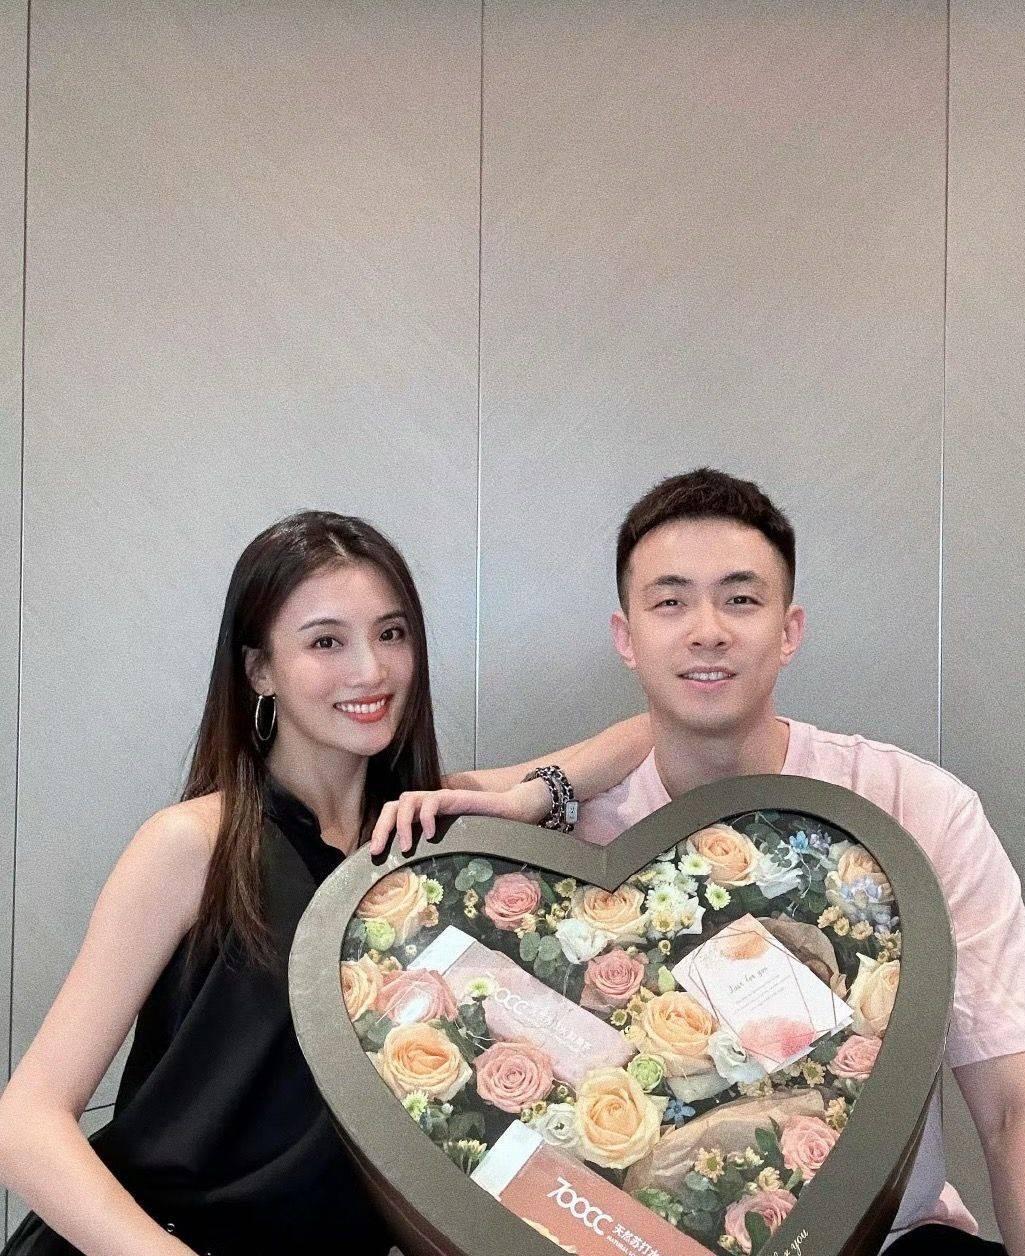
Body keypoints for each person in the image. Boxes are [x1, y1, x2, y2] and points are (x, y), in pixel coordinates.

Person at [378, 469, 1025, 1256]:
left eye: (740, 599)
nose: (707, 631)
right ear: (625, 638)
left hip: (887, 1241)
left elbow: (1010, 1108)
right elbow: (423, 811)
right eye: (670, 603)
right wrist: (543, 789)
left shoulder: (914, 807)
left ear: (788, 630)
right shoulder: (559, 849)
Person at [0, 511, 646, 1256]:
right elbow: (27, 1123)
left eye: (391, 634)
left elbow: (646, 735)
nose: (371, 671)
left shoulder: (427, 834)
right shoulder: (194, 845)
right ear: (259, 670)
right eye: (326, 642)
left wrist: (528, 799)